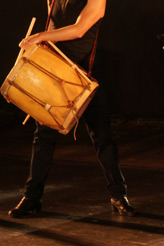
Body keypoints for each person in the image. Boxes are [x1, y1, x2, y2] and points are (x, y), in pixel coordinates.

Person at [9, 0, 135, 218]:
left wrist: (39, 37)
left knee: (102, 138)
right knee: (43, 137)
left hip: (86, 75)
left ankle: (118, 195)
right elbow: (54, 26)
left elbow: (79, 30)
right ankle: (32, 197)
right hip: (57, 73)